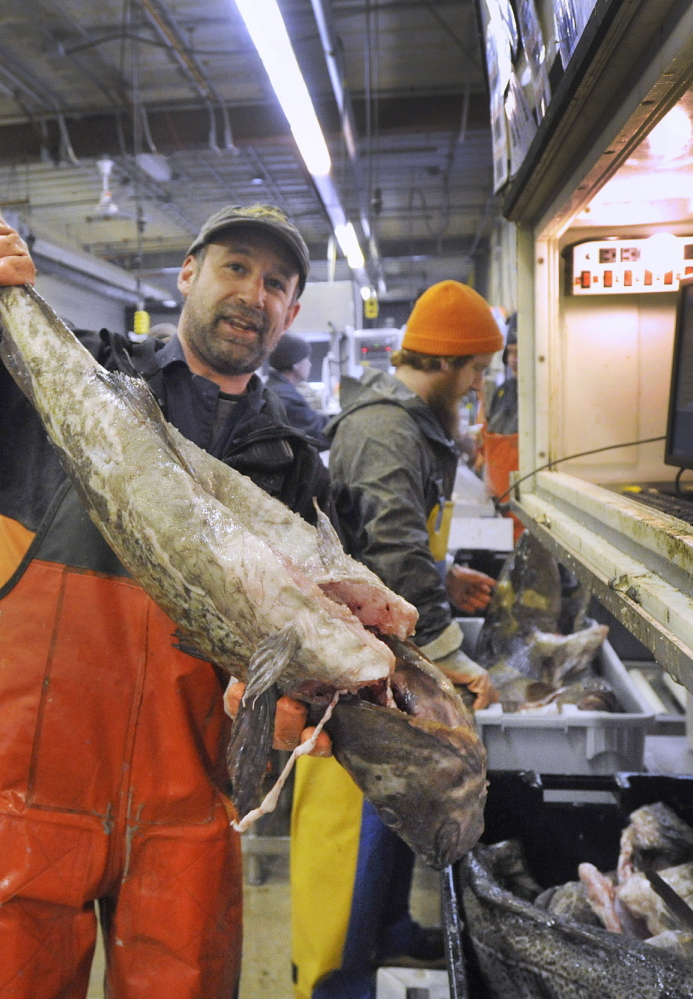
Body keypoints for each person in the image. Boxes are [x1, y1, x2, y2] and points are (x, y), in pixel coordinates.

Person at [0, 200, 334, 999]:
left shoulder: (293, 470)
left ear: (292, 310)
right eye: (235, 267)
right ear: (188, 273)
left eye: (276, 282)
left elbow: (302, 666)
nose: (254, 292)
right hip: (22, 802)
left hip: (188, 817)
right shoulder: (61, 378)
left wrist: (289, 702)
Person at [290, 279, 502, 999]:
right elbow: (386, 549)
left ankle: (381, 935)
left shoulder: (413, 425)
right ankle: (330, 977)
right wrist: (450, 654)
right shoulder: (385, 428)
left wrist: (447, 574)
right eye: (475, 369)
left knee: (384, 829)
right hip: (346, 680)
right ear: (445, 361)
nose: (477, 386)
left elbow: (403, 543)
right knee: (346, 836)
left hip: (383, 666)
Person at [480, 317, 523, 540]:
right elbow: (487, 446)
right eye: (511, 352)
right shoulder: (502, 392)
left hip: (525, 513)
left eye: (520, 352)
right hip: (499, 507)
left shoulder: (543, 397)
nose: (514, 359)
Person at [265, 332, 330, 447]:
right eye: (307, 359)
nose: (310, 364)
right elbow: (319, 433)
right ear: (295, 364)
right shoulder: (285, 397)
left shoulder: (276, 387)